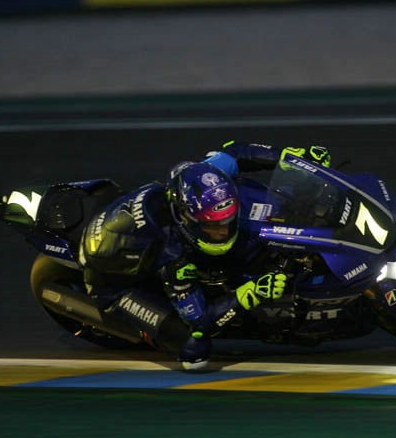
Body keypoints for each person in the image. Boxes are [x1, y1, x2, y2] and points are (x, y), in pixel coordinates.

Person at [77, 141, 332, 369]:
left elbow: (236, 152)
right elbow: (201, 320)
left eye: (227, 223)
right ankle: (145, 329)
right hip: (111, 282)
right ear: (187, 221)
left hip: (130, 230)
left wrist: (290, 157)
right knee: (194, 351)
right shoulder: (173, 257)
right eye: (214, 227)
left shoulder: (202, 178)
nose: (223, 231)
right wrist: (250, 293)